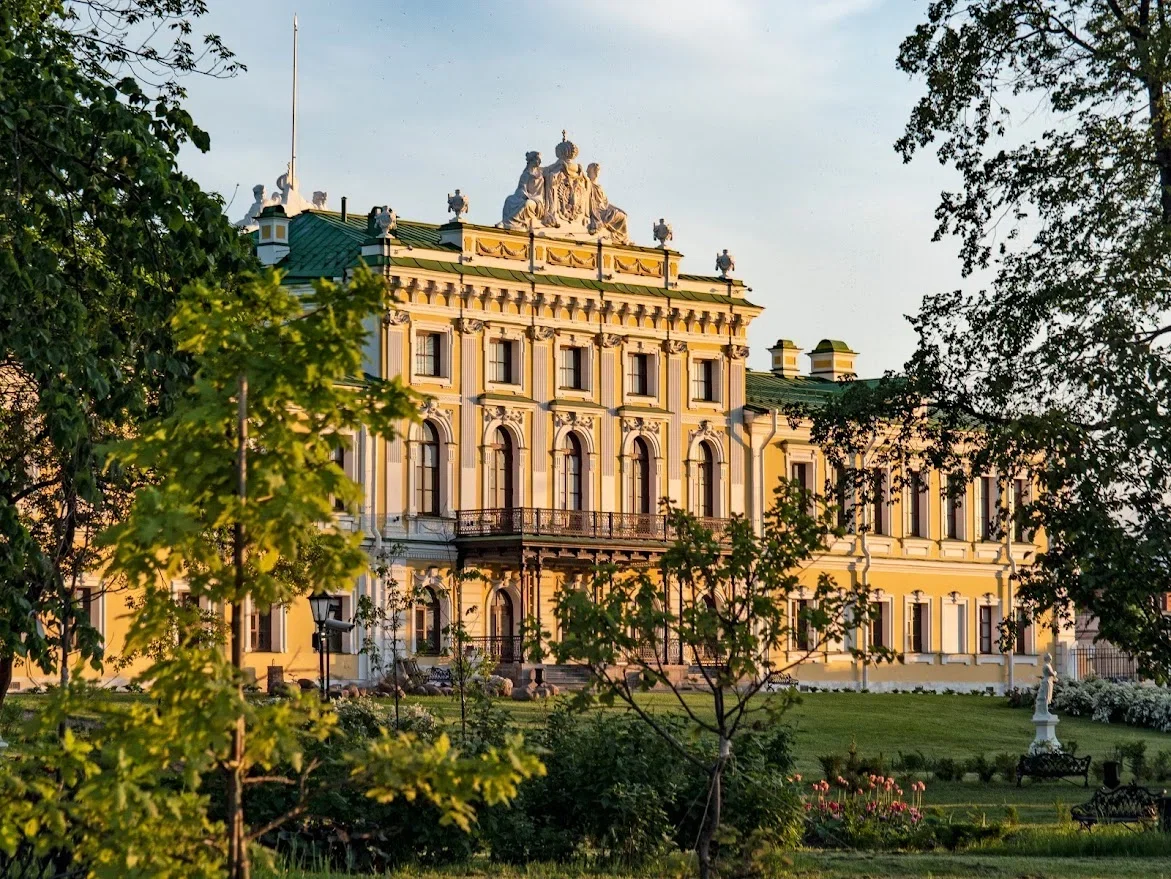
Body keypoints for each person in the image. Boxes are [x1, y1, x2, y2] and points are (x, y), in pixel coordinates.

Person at [586, 163, 629, 243]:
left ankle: (622, 240)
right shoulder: (587, 184)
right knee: (616, 216)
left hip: (604, 209)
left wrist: (619, 209)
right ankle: (617, 237)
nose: (596, 173)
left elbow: (606, 203)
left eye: (597, 171)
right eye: (594, 171)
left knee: (623, 216)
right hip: (597, 211)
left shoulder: (599, 187)